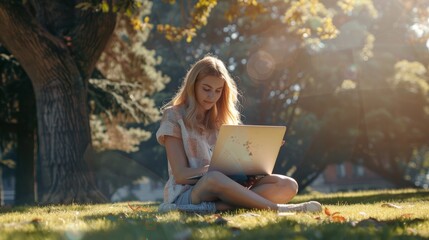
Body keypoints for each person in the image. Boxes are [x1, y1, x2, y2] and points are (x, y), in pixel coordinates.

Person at [156, 55, 322, 213]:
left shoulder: (224, 120)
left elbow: (238, 162)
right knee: (214, 177)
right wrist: (215, 170)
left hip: (227, 188)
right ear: (193, 87)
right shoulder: (173, 115)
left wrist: (254, 161)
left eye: (218, 91)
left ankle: (217, 208)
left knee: (287, 184)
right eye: (206, 89)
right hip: (190, 192)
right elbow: (180, 175)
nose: (212, 96)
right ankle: (278, 209)